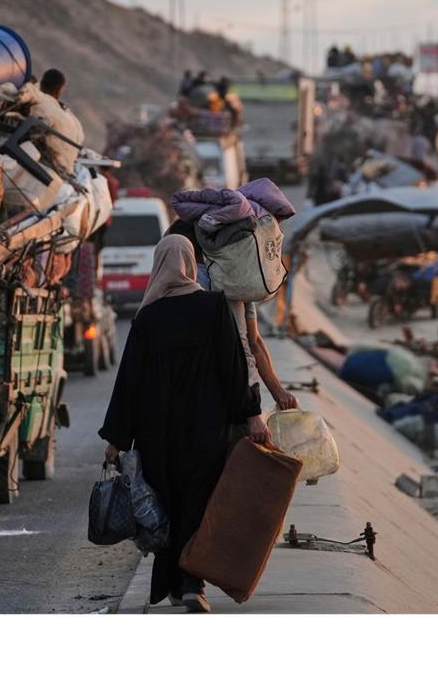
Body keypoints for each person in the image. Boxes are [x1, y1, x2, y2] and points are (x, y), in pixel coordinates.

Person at [99, 235, 266, 613]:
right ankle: (191, 584)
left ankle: (176, 583)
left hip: (158, 434)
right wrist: (251, 413)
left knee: (168, 505)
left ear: (159, 265)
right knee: (199, 504)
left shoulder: (147, 317)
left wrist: (117, 439)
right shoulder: (213, 307)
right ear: (192, 264)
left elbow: (129, 381)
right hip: (207, 430)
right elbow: (233, 369)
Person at [166, 220, 298, 411]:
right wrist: (278, 391)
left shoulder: (169, 289)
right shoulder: (236, 281)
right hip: (240, 386)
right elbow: (254, 342)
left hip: (195, 391)